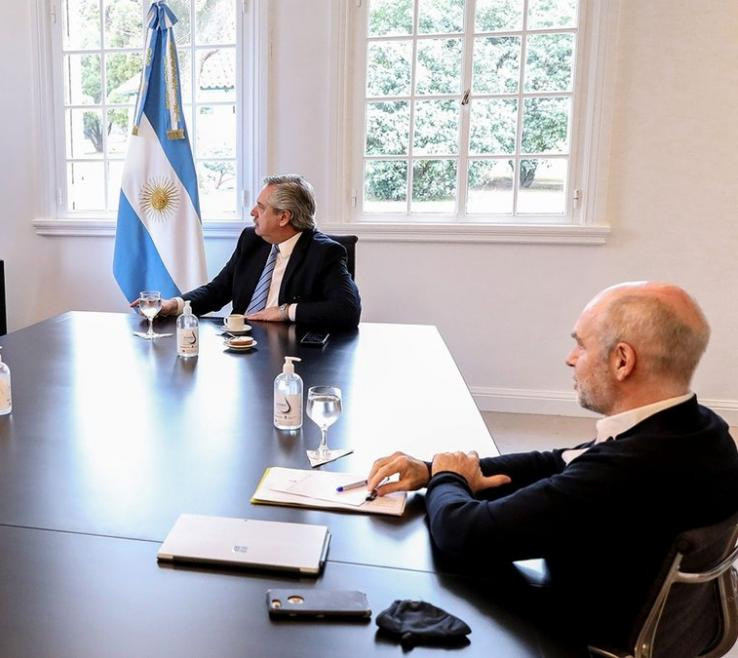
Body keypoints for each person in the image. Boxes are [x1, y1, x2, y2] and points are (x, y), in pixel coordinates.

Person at [366, 282, 738, 648]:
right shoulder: (701, 429)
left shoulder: (624, 473)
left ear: (622, 360)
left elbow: (465, 534)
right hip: (664, 622)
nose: (570, 358)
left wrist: (448, 477)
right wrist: (435, 468)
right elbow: (558, 462)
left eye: (581, 344)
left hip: (573, 633)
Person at [140, 175, 361, 329]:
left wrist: (285, 311)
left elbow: (347, 310)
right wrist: (175, 305)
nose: (253, 212)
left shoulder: (324, 253)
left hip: (288, 354)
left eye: (261, 207)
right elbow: (218, 290)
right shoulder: (252, 239)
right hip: (238, 344)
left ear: (284, 217)